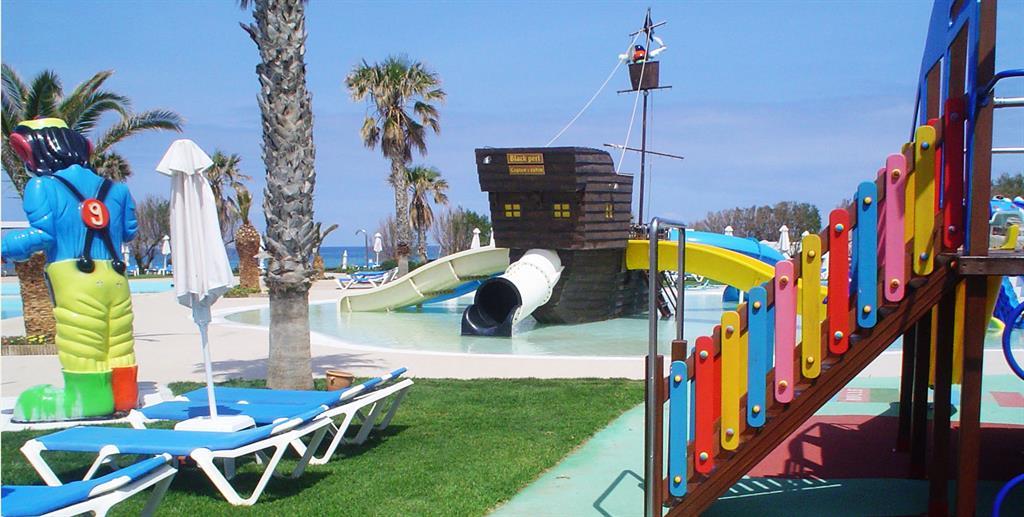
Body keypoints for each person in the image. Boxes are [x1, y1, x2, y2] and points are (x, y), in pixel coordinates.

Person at [3, 118, 139, 421]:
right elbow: (129, 231)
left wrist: (5, 246)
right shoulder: (117, 190)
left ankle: (88, 400)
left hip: (75, 275)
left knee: (82, 340)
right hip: (115, 275)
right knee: (117, 339)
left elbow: (43, 235)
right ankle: (123, 395)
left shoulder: (42, 186)